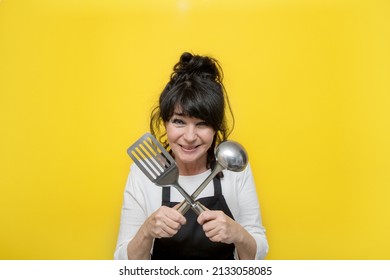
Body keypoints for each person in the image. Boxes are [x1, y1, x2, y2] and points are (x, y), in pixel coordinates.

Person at [114, 52, 268, 260]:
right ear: (165, 122)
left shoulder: (232, 169)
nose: (189, 137)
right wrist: (146, 231)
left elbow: (256, 256)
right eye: (179, 121)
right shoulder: (142, 173)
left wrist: (238, 234)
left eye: (202, 124)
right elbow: (123, 263)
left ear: (216, 128)